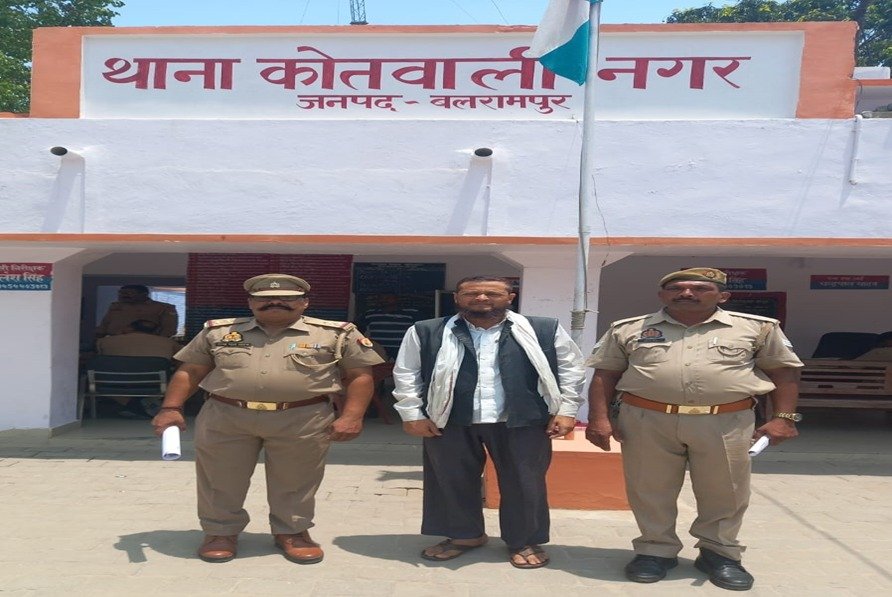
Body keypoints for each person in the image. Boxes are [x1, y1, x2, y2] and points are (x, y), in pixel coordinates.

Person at [586, 267, 803, 591]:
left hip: (726, 421)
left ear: (723, 296)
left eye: (699, 288)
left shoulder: (757, 328)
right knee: (649, 488)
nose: (686, 293)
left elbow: (783, 372)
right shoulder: (629, 329)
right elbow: (606, 374)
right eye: (676, 288)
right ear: (662, 295)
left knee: (725, 490)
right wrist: (599, 419)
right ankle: (655, 550)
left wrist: (784, 418)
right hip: (647, 420)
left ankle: (720, 554)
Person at [151, 273, 384, 564]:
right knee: (219, 477)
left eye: (286, 298)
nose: (275, 302)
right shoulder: (218, 332)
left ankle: (293, 532)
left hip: (302, 417)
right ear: (250, 302)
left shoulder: (335, 334)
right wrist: (171, 408)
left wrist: (352, 416)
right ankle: (220, 532)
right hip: (226, 415)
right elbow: (191, 371)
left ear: (304, 302)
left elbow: (360, 376)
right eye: (265, 298)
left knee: (297, 478)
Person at [392, 276, 585, 569]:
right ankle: (464, 535)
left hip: (523, 419)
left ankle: (523, 540)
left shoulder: (543, 329)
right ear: (457, 298)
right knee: (451, 480)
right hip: (448, 419)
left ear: (510, 297)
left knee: (525, 482)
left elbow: (572, 369)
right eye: (472, 293)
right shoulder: (426, 330)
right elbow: (407, 372)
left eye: (491, 293)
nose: (481, 298)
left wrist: (567, 410)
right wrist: (412, 414)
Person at [96, 284, 178, 338]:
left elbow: (169, 329)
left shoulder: (164, 307)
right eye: (121, 293)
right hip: (113, 341)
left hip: (145, 343)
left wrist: (157, 342)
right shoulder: (116, 305)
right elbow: (104, 324)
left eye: (128, 293)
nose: (123, 295)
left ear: (144, 294)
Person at [358, 294, 420, 360]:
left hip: (403, 349)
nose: (384, 300)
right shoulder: (370, 314)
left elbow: (420, 331)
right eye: (381, 297)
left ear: (396, 298)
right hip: (378, 350)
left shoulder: (411, 313)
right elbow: (359, 331)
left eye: (388, 297)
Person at [96, 319, 181, 358]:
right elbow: (180, 363)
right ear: (156, 331)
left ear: (129, 328)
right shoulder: (170, 343)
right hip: (154, 382)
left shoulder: (103, 341)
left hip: (112, 380)